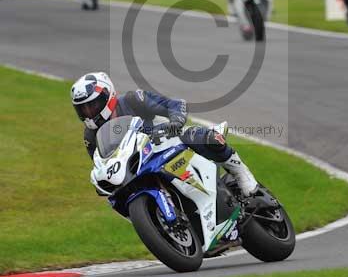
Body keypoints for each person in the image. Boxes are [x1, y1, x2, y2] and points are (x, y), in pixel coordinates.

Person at [71, 72, 258, 197]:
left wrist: (176, 120)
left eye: (92, 105)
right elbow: (103, 163)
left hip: (168, 143)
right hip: (139, 167)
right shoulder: (90, 136)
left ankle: (240, 171)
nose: (88, 112)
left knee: (203, 136)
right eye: (83, 108)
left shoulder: (133, 100)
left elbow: (174, 104)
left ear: (108, 96)